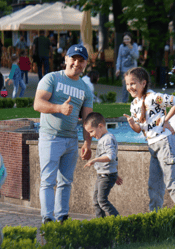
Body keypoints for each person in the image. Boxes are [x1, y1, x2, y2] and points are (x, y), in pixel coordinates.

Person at [122, 67, 175, 219]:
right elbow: (139, 129)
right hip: (153, 146)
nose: (130, 87)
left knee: (173, 184)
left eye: (133, 83)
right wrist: (131, 123)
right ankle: (155, 220)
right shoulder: (134, 104)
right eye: (127, 84)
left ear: (143, 83)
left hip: (166, 143)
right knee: (154, 186)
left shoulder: (153, 97)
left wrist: (166, 120)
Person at [34, 44, 94, 224]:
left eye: (81, 60)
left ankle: (62, 217)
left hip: (71, 140)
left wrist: (87, 143)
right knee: (48, 181)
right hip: (50, 137)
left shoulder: (85, 88)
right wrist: (59, 108)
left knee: (66, 181)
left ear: (85, 64)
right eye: (73, 59)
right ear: (66, 59)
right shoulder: (52, 78)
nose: (76, 63)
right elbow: (38, 104)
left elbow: (87, 119)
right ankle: (47, 218)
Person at [83, 112, 123, 218]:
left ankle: (118, 220)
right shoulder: (103, 138)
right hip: (103, 174)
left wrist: (94, 160)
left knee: (102, 201)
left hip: (106, 176)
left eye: (91, 131)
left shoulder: (108, 139)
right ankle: (101, 222)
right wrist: (115, 174)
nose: (91, 135)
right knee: (96, 201)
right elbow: (113, 160)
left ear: (100, 126)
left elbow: (111, 156)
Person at [116, 32, 139, 103]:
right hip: (124, 69)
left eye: (127, 39)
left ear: (131, 39)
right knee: (125, 86)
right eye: (124, 39)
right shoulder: (121, 46)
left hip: (133, 69)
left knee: (134, 85)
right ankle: (124, 101)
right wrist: (118, 69)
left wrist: (131, 49)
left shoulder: (134, 45)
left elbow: (136, 57)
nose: (126, 41)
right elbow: (119, 58)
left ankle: (135, 100)